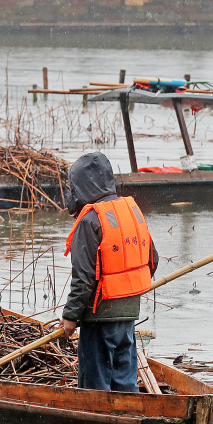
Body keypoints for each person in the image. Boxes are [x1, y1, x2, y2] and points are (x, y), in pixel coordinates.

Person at [59, 152, 158, 392]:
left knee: (95, 383)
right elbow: (152, 260)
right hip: (128, 316)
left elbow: (83, 280)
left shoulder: (89, 221)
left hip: (99, 318)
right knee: (125, 380)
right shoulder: (131, 212)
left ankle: (97, 422)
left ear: (81, 186)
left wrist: (70, 317)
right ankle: (129, 417)